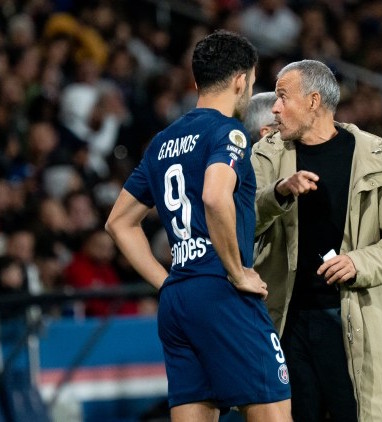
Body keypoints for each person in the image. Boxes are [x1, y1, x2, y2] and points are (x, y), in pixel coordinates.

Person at [105, 30, 291, 422]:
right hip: (223, 293)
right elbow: (214, 196)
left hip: (179, 299)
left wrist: (166, 283)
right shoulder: (229, 132)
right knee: (274, 412)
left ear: (196, 81)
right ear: (240, 80)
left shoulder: (161, 142)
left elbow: (119, 223)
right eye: (252, 82)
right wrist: (237, 271)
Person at [251, 59, 382, 421]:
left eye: (283, 97)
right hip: (286, 323)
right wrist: (277, 193)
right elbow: (239, 224)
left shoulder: (378, 156)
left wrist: (358, 262)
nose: (275, 107)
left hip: (354, 320)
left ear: (314, 101)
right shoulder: (265, 154)